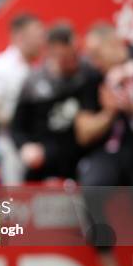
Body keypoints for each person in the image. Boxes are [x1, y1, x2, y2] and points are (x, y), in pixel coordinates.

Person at [75, 23, 133, 266]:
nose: (94, 62)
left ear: (115, 44)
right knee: (91, 187)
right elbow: (84, 130)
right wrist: (110, 110)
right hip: (111, 150)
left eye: (98, 55)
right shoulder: (92, 77)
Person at [11, 24, 87, 181]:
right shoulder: (34, 82)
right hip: (42, 159)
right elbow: (18, 127)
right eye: (65, 57)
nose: (72, 61)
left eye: (74, 55)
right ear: (52, 51)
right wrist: (25, 147)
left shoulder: (86, 76)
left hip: (79, 158)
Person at [0, 13, 45, 183]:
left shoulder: (33, 68)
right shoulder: (0, 70)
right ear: (20, 37)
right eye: (37, 35)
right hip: (4, 142)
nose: (42, 41)